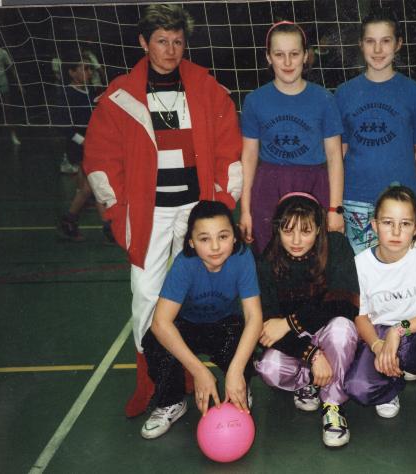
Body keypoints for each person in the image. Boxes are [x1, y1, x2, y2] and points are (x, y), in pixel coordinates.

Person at [83, 4, 243, 418]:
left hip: (196, 213)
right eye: (161, 41)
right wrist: (119, 214)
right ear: (143, 42)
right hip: (149, 214)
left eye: (177, 41)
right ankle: (152, 383)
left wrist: (220, 208)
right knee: (146, 297)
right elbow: (100, 161)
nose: (170, 50)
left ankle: (187, 375)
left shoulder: (208, 89)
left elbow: (230, 151)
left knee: (191, 295)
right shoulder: (120, 95)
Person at [344, 186, 416, 449]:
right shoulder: (361, 264)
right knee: (358, 388)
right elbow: (360, 316)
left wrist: (400, 329)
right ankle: (390, 384)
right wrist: (377, 345)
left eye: (405, 224)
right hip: (380, 336)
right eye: (388, 223)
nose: (396, 232)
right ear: (374, 225)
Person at [140, 201, 262, 439]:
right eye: (205, 239)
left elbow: (254, 316)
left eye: (223, 236)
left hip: (225, 325)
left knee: (242, 340)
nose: (215, 247)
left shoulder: (242, 257)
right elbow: (160, 323)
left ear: (235, 237)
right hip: (188, 326)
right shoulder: (185, 265)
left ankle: (239, 386)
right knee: (155, 342)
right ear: (191, 242)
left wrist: (236, 371)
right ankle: (171, 402)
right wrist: (199, 372)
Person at [254, 192, 359, 447]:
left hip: (327, 330)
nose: (297, 241)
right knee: (268, 367)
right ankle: (309, 382)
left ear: (319, 229)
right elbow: (267, 329)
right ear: (277, 230)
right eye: (288, 231)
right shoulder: (266, 263)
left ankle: (333, 404)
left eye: (306, 231)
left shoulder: (336, 245)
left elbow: (344, 304)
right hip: (299, 344)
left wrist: (289, 323)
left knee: (342, 328)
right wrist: (311, 354)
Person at [239, 21, 345, 254]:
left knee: (313, 257)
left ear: (306, 56)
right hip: (268, 186)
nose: (287, 62)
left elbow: (335, 157)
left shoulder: (324, 99)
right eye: (279, 54)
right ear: (268, 57)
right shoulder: (255, 100)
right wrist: (245, 210)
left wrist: (334, 209)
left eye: (294, 54)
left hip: (313, 185)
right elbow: (248, 157)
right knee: (268, 256)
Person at [335, 9, 416, 254]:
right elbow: (339, 153)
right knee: (362, 273)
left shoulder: (414, 92)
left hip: (399, 204)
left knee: (398, 271)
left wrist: (403, 188)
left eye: (385, 41)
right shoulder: (344, 93)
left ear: (398, 44)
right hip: (355, 199)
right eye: (370, 41)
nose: (378, 50)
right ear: (360, 44)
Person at [56, 55, 113, 243]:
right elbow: (64, 127)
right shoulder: (67, 94)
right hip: (79, 144)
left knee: (90, 187)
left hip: (93, 143)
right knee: (94, 185)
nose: (89, 72)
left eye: (90, 69)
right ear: (72, 72)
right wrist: (85, 142)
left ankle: (71, 221)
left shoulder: (91, 92)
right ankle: (107, 226)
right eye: (84, 68)